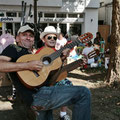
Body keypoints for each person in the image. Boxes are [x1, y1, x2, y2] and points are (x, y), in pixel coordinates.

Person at [0, 24, 91, 120]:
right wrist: (27, 65)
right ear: (17, 38)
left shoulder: (33, 54)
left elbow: (52, 79)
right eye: (24, 35)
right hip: (36, 96)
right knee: (83, 93)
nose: (28, 37)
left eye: (31, 36)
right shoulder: (13, 48)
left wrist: (63, 59)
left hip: (44, 92)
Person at [37, 26, 72, 120]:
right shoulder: (40, 52)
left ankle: (63, 114)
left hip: (53, 77)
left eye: (54, 38)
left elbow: (57, 66)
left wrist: (64, 57)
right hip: (43, 79)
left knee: (67, 84)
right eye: (49, 37)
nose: (52, 39)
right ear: (44, 39)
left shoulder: (57, 51)